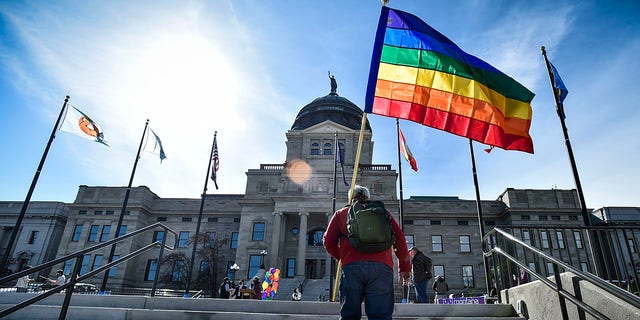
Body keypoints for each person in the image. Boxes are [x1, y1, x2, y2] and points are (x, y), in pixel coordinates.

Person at [324, 185, 411, 320]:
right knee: (380, 316)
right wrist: (404, 267)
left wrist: (342, 257)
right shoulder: (383, 213)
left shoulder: (341, 214)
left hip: (352, 268)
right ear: (368, 197)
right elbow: (400, 238)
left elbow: (328, 242)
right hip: (382, 268)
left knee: (349, 316)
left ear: (351, 198)